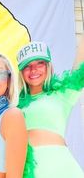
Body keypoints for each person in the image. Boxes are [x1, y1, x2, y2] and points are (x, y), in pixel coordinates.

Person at [17, 40, 84, 178]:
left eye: (39, 63)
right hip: (28, 170)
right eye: (27, 66)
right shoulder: (14, 104)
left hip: (61, 168)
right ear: (21, 72)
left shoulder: (62, 93)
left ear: (48, 66)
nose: (34, 70)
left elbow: (81, 62)